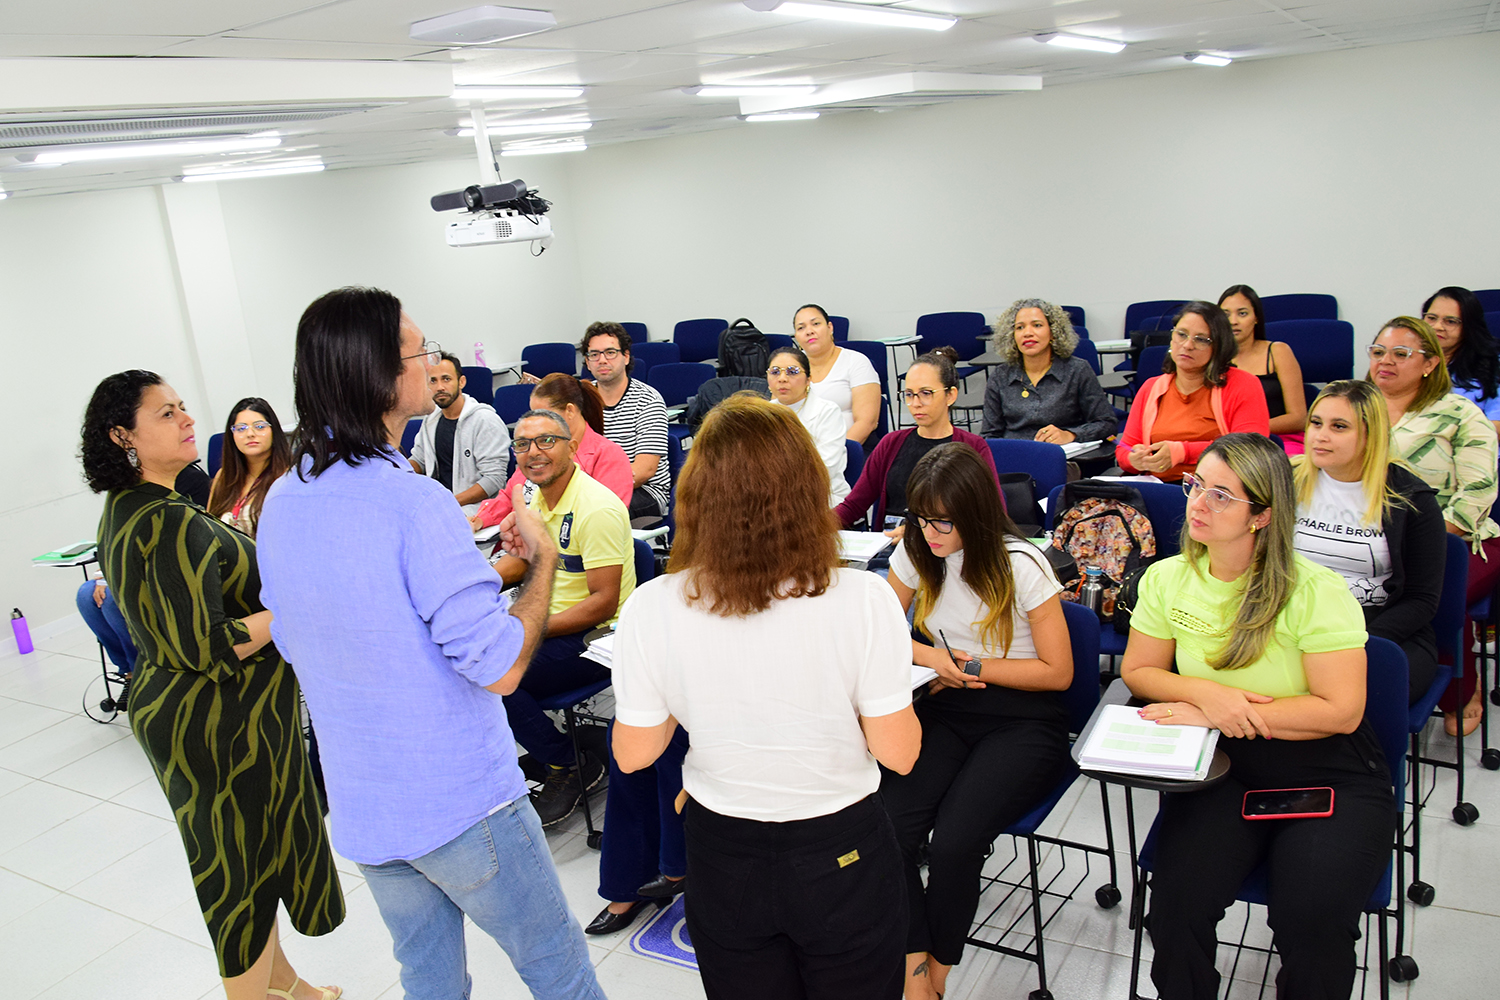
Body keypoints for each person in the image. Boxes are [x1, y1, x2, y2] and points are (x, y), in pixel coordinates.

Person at [255, 287, 605, 1000]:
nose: (432, 362)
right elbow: (503, 667)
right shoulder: (413, 500)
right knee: (558, 967)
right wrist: (537, 562)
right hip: (461, 805)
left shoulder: (284, 497)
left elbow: (303, 635)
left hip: (366, 808)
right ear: (381, 375)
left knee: (429, 978)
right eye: (420, 353)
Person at [610, 394, 922, 1000]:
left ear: (697, 494)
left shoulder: (653, 605)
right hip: (840, 848)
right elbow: (900, 754)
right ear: (808, 487)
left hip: (723, 847)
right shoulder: (865, 598)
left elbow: (633, 754)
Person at [82, 370, 344, 1000]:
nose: (187, 420)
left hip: (223, 713)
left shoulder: (143, 506)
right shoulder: (164, 521)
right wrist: (291, 609)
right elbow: (207, 643)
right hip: (217, 721)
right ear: (124, 436)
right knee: (239, 873)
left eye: (181, 408)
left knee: (259, 852)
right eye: (166, 414)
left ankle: (284, 986)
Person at [1121, 433, 1391, 1000]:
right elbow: (1140, 671)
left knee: (1311, 920)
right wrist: (1207, 698)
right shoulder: (1167, 577)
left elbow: (1340, 712)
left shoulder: (1316, 590)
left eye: (1222, 496)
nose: (1197, 503)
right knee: (1174, 907)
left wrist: (1224, 709)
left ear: (1263, 515)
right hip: (1226, 769)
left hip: (1327, 773)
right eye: (1197, 487)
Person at [879, 443, 1072, 1000]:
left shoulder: (1022, 563)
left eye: (943, 520)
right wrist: (932, 659)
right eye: (919, 517)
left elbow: (1058, 673)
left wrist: (969, 664)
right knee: (887, 828)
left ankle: (936, 973)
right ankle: (915, 958)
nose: (930, 532)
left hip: (1023, 721)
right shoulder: (918, 549)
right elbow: (882, 632)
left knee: (956, 842)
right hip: (948, 704)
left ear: (975, 512)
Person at [490, 409, 637, 826]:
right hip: (549, 621)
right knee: (471, 658)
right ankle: (553, 747)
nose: (533, 453)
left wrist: (527, 629)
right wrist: (477, 583)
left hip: (596, 635)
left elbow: (604, 602)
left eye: (546, 441)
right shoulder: (536, 496)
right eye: (522, 444)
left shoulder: (596, 509)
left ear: (572, 447)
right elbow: (524, 562)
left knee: (497, 678)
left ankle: (568, 763)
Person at [1367, 316, 1499, 736]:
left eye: (1400, 354)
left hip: (1461, 540)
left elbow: (1478, 490)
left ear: (1428, 363)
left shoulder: (1460, 413)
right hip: (1370, 539)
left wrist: (1425, 543)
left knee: (1437, 589)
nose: (1385, 361)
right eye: (1378, 352)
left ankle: (1462, 691)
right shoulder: (1354, 408)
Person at [1293, 381, 1445, 702]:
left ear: (1369, 435)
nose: (1320, 435)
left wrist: (1356, 643)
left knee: (1365, 695)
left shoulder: (1411, 498)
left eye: (1339, 427)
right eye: (1316, 423)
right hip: (1293, 619)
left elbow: (1421, 600)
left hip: (1378, 626)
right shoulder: (1287, 480)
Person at [836, 349, 1002, 532]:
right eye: (909, 394)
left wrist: (917, 534)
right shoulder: (890, 443)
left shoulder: (973, 447)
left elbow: (992, 513)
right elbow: (854, 505)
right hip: (891, 547)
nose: (915, 403)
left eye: (926, 393)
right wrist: (811, 527)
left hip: (945, 548)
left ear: (950, 395)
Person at [1116, 301, 1270, 481]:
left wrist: (1182, 452)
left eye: (1201, 339)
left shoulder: (1243, 384)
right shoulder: (1151, 387)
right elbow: (1123, 451)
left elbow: (1249, 450)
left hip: (1218, 489)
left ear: (1219, 347)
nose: (1188, 345)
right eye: (1181, 335)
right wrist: (1135, 459)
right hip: (1158, 487)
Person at [470, 373, 633, 530]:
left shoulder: (608, 455)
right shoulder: (537, 449)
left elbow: (606, 520)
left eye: (545, 416)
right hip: (523, 545)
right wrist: (479, 520)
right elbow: (509, 496)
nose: (537, 423)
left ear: (569, 411)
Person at [980, 298, 1116, 445]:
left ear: (1053, 333)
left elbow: (1107, 424)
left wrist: (1070, 434)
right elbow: (989, 435)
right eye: (1019, 328)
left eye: (1037, 325)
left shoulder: (1077, 370)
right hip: (1016, 458)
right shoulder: (1000, 376)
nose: (1027, 333)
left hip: (1066, 458)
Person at [581, 321, 672, 520]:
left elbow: (644, 470)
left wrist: (591, 492)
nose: (602, 360)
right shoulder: (582, 400)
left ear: (626, 356)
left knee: (593, 515)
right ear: (587, 362)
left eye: (610, 352)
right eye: (594, 354)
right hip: (592, 490)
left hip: (645, 491)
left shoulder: (648, 400)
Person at [408, 350, 511, 509]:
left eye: (446, 379)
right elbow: (419, 460)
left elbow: (494, 479)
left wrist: (450, 502)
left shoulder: (485, 420)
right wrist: (398, 472)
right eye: (433, 381)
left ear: (461, 382)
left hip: (475, 508)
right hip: (438, 504)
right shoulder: (431, 419)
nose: (440, 387)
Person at [1218, 284, 1308, 453]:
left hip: (1279, 440)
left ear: (1256, 317)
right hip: (1228, 443)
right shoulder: (1211, 357)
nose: (1233, 321)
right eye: (1226, 314)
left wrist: (1248, 429)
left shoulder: (1278, 352)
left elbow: (1298, 418)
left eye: (1242, 313)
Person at [767, 344, 850, 504]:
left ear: (808, 379)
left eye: (792, 372)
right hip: (771, 497)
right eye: (775, 372)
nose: (782, 378)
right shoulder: (763, 413)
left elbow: (824, 468)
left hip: (819, 497)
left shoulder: (827, 412)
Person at [207, 396, 292, 537]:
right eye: (241, 429)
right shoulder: (223, 476)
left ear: (274, 430)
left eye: (259, 427)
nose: (250, 434)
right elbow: (209, 530)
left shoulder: (287, 477)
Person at [795, 303, 881, 443]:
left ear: (830, 328)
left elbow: (867, 422)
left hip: (849, 447)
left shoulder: (856, 362)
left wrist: (833, 454)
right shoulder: (790, 367)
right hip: (801, 451)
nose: (809, 331)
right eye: (801, 327)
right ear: (796, 337)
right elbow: (777, 414)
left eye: (816, 324)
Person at [1421, 286, 1500, 435]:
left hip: (1471, 448)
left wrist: (1445, 436)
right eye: (1431, 318)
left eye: (1450, 321)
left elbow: (1497, 424)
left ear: (1469, 327)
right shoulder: (1406, 357)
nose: (1437, 327)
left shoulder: (1494, 363)